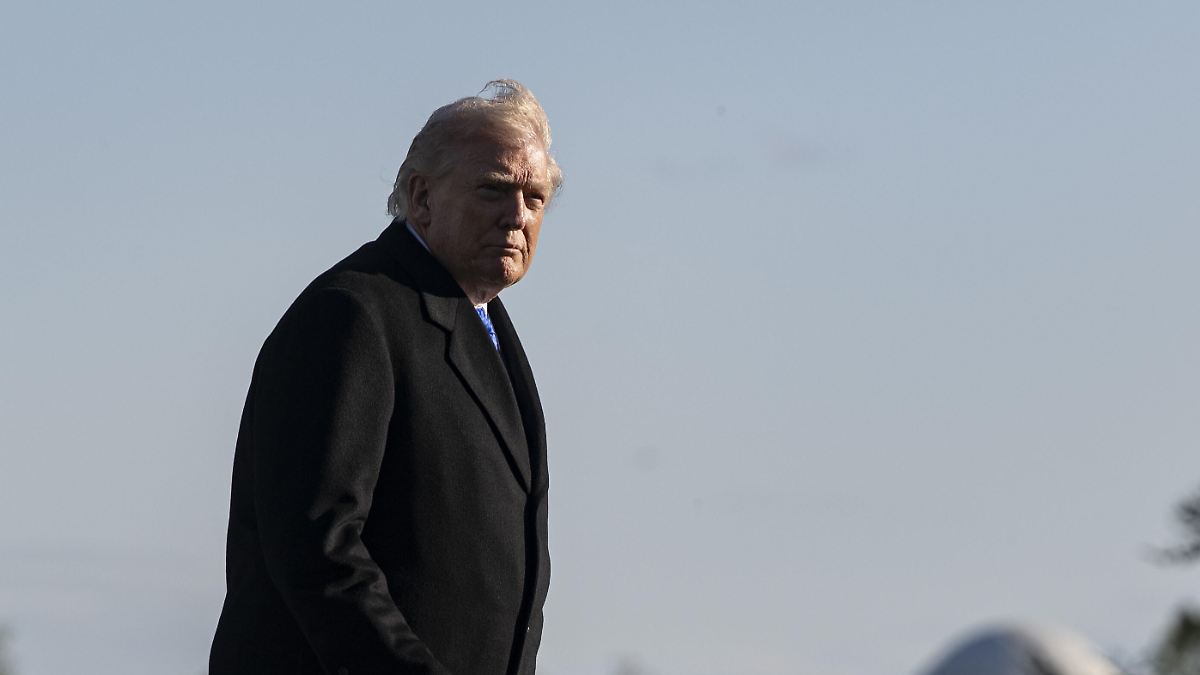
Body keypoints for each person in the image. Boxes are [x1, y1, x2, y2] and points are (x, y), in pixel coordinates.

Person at [209, 79, 562, 675]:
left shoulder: (483, 324)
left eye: (535, 197)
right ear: (422, 197)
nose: (516, 216)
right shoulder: (351, 316)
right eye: (494, 189)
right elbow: (318, 546)